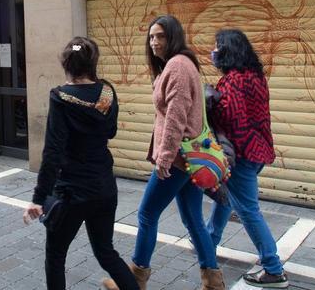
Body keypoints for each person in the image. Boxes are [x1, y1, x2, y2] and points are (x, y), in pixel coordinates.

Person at [107, 15, 225, 290]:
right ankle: (213, 281)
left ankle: (135, 279)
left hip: (178, 159)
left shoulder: (178, 66)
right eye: (151, 37)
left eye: (160, 36)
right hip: (188, 158)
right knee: (193, 219)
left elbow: (175, 115)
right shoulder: (176, 65)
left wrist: (165, 157)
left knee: (147, 214)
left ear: (173, 37)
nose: (154, 42)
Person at [23, 37, 139, 290]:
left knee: (55, 256)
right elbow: (110, 132)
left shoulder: (60, 97)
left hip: (71, 193)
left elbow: (52, 152)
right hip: (104, 188)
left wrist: (38, 198)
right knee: (106, 252)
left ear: (66, 63)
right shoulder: (107, 92)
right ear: (93, 62)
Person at [204, 29, 287, 287]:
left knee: (248, 211)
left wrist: (209, 101)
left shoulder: (234, 80)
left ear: (228, 50)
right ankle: (209, 242)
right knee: (227, 199)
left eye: (217, 47)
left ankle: (273, 269)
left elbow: (232, 119)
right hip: (258, 149)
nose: (214, 52)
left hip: (241, 153)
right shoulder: (255, 76)